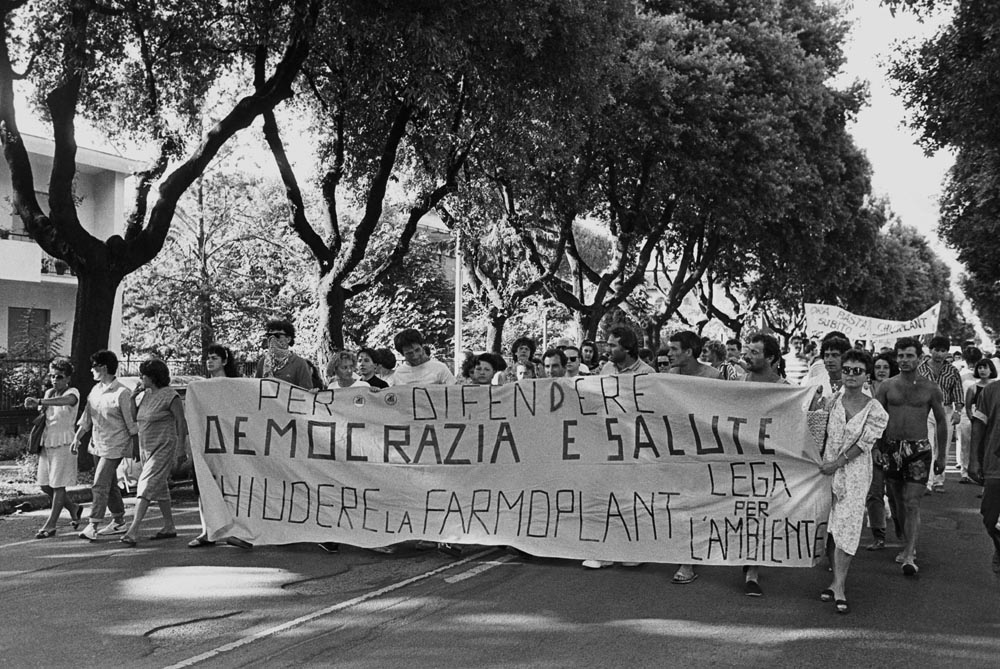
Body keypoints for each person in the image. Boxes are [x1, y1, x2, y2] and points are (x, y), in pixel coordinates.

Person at [818, 349, 889, 613]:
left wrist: (838, 463)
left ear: (866, 375)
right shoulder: (832, 401)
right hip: (826, 470)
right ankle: (833, 578)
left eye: (856, 371)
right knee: (830, 526)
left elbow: (864, 444)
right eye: (846, 370)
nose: (850, 375)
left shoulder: (875, 409)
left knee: (847, 525)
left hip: (855, 472)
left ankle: (839, 585)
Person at [874, 337, 948, 576]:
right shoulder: (887, 386)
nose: (904, 360)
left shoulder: (930, 388)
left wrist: (942, 457)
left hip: (918, 450)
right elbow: (875, 420)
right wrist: (876, 447)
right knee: (896, 501)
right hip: (891, 449)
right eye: (901, 356)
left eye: (909, 355)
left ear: (919, 357)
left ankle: (909, 553)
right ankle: (904, 536)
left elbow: (940, 422)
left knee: (912, 502)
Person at [72, 350, 138, 540]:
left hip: (115, 445)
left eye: (94, 366)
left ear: (104, 368)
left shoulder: (122, 393)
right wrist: (78, 436)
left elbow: (131, 424)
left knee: (99, 484)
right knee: (109, 485)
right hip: (97, 444)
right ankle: (119, 521)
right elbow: (87, 416)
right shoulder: (95, 390)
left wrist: (135, 446)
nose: (91, 370)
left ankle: (93, 524)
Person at [119, 359, 186, 546]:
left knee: (146, 484)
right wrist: (133, 398)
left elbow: (181, 422)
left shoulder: (170, 395)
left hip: (164, 446)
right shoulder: (146, 394)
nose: (141, 378)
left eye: (144, 375)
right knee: (160, 487)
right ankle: (169, 526)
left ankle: (133, 530)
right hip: (146, 447)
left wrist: (181, 448)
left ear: (153, 376)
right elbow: (135, 417)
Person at [189, 343, 244, 549]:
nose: (209, 361)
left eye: (214, 357)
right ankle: (207, 532)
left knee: (230, 488)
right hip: (206, 443)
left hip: (229, 444)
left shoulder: (234, 385)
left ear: (225, 361)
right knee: (204, 487)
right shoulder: (200, 388)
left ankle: (237, 530)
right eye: (208, 357)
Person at [24, 357, 83, 538]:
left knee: (58, 485)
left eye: (59, 376)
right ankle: (73, 507)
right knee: (44, 484)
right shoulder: (49, 393)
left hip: (65, 442)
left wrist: (40, 402)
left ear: (67, 378)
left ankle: (51, 525)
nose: (54, 380)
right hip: (47, 442)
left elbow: (66, 401)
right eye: (52, 376)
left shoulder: (73, 392)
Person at [918, 336, 964, 493]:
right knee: (928, 446)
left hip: (945, 410)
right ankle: (928, 482)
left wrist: (958, 412)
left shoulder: (952, 371)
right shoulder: (921, 369)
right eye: (936, 350)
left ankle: (939, 480)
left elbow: (958, 393)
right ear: (930, 350)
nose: (939, 354)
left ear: (947, 353)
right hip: (925, 410)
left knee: (942, 447)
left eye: (943, 351)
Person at [865, 352, 900, 550]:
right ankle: (879, 536)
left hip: (896, 446)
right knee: (874, 493)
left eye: (885, 367)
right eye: (877, 367)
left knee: (896, 494)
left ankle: (903, 532)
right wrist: (874, 447)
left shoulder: (899, 390)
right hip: (872, 446)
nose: (881, 371)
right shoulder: (865, 390)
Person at [968, 371, 1000, 574]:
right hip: (995, 464)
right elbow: (978, 426)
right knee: (989, 517)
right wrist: (973, 460)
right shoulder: (991, 390)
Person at [961, 358, 997, 484]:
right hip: (976, 419)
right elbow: (968, 405)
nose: (982, 370)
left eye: (985, 367)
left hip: (989, 423)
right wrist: (972, 419)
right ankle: (966, 471)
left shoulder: (994, 386)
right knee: (969, 445)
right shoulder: (974, 387)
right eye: (980, 368)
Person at [255, 319, 316, 388]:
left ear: (288, 339)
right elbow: (257, 389)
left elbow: (306, 393)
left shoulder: (299, 363)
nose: (272, 339)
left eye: (277, 335)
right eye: (269, 335)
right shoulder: (262, 362)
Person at [389, 329, 456, 386]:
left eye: (417, 350)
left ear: (422, 347)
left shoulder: (440, 368)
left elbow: (454, 392)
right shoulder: (399, 374)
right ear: (402, 354)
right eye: (409, 353)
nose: (415, 356)